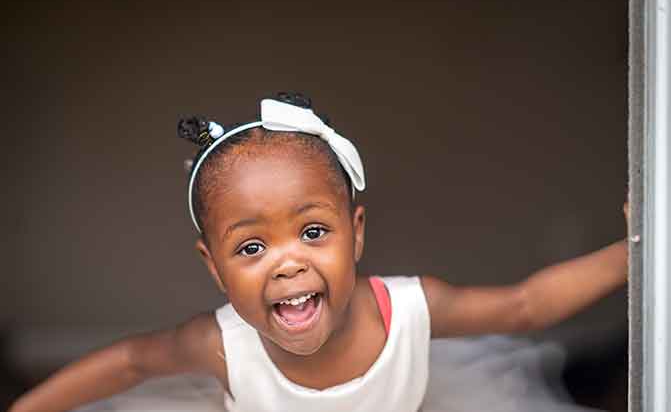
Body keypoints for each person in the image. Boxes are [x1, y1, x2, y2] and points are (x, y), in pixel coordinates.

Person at [10, 93, 629, 412]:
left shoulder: (410, 310)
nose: (287, 262)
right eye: (251, 246)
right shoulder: (221, 345)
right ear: (213, 268)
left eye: (313, 232)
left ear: (356, 232)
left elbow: (525, 306)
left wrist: (633, 252)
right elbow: (131, 362)